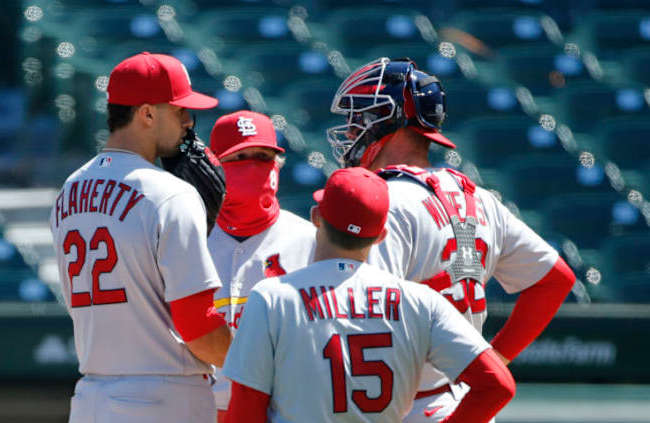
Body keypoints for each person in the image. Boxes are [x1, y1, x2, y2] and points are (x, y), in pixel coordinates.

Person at [325, 57, 576, 422]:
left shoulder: (386, 201)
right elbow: (555, 280)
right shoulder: (479, 197)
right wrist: (496, 359)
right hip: (465, 401)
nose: (350, 132)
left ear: (387, 120)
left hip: (397, 406)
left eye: (358, 119)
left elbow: (360, 322)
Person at [223, 167, 516, 423]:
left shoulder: (273, 297)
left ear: (315, 217)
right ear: (381, 234)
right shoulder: (420, 301)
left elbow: (245, 411)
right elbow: (497, 385)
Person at [49, 51, 231, 423]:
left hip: (91, 398)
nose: (188, 122)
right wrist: (262, 359)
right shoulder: (170, 194)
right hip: (164, 398)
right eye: (180, 110)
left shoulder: (69, 190)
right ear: (147, 113)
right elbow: (197, 325)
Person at [207, 110, 316, 422]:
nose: (252, 166)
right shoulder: (192, 240)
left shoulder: (308, 241)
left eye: (263, 156)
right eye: (239, 157)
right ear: (215, 167)